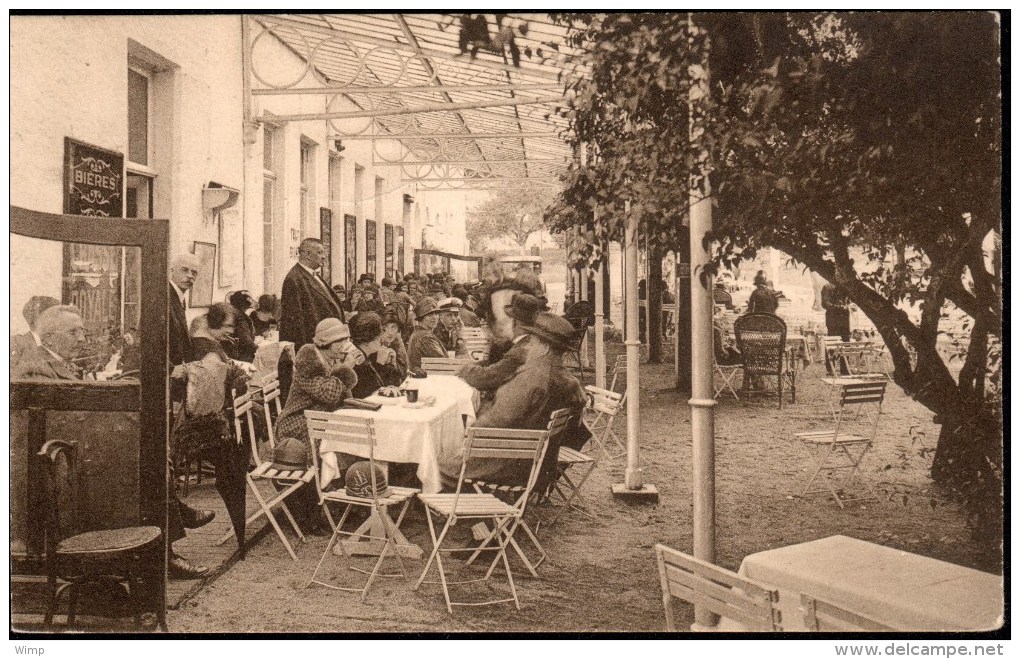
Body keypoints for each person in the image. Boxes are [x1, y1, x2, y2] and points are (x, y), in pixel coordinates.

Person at [439, 312, 588, 491]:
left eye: (533, 341)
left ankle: (442, 514)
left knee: (434, 463)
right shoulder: (568, 379)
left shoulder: (533, 377)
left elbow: (496, 421)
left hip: (507, 466)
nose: (529, 348)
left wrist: (466, 438)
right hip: (539, 465)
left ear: (545, 347)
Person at [275, 318, 362, 533]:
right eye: (342, 340)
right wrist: (345, 368)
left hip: (317, 420)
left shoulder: (329, 358)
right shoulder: (309, 361)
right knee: (337, 444)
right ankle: (315, 512)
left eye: (347, 339)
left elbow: (340, 394)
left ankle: (342, 503)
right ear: (328, 343)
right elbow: (329, 394)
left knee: (353, 439)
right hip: (297, 425)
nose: (346, 344)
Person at [165, 253, 215, 579]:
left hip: (172, 388)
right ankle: (176, 524)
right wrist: (175, 370)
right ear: (171, 269)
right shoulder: (164, 298)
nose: (191, 276)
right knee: (163, 461)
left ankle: (179, 511)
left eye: (195, 272)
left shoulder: (177, 299)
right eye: (185, 269)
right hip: (165, 386)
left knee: (166, 460)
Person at [457, 292, 542, 399]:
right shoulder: (534, 341)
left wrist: (466, 368)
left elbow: (486, 378)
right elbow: (498, 365)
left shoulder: (519, 351)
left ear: (514, 322)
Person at [280, 238, 346, 351]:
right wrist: (306, 352)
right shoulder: (294, 279)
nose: (324, 256)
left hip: (328, 343)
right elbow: (295, 322)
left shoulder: (311, 274)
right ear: (308, 254)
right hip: (316, 346)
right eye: (320, 252)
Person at [12, 305, 87, 380]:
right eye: (72, 332)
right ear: (49, 338)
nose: (82, 339)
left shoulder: (65, 363)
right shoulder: (36, 369)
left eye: (82, 332)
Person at [347, 312, 405, 398]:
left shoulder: (370, 355)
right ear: (367, 339)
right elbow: (368, 393)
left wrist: (392, 365)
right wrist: (380, 365)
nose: (381, 338)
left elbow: (394, 384)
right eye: (379, 335)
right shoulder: (357, 359)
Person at [11, 295, 61, 368]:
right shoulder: (16, 344)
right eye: (54, 316)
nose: (59, 322)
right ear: (32, 318)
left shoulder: (59, 345)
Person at [406, 297, 447, 369]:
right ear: (421, 318)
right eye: (430, 314)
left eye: (436, 313)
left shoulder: (420, 333)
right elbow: (445, 364)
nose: (435, 317)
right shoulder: (425, 337)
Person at [821, 281, 852, 375]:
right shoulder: (827, 286)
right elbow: (825, 303)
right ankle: (830, 368)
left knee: (846, 343)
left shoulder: (844, 287)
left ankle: (845, 368)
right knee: (832, 343)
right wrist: (838, 307)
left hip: (844, 320)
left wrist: (847, 305)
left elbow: (849, 301)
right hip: (833, 320)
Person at [225, 291, 258, 362]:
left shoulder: (229, 313)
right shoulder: (240, 318)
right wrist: (259, 349)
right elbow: (246, 341)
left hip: (230, 355)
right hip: (240, 357)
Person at [380, 310, 410, 380]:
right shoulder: (375, 345)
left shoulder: (397, 341)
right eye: (385, 328)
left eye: (394, 327)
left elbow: (404, 372)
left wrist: (394, 364)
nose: (390, 332)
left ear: (398, 330)